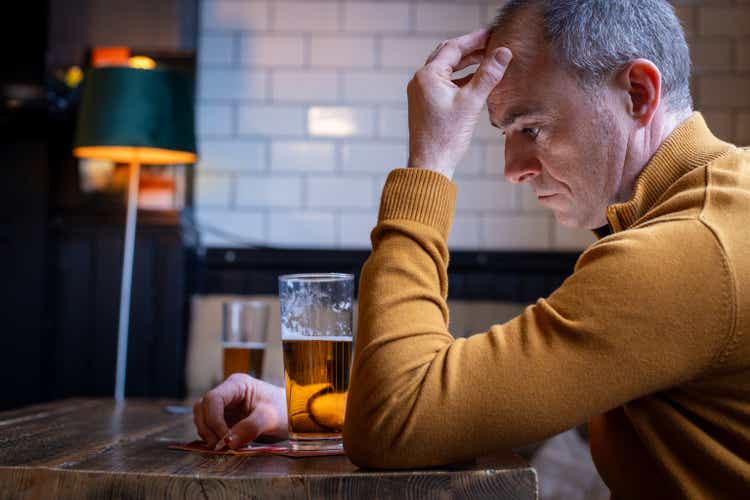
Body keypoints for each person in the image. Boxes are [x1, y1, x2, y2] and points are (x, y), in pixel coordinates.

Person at [194, 0, 750, 496]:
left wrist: (430, 163)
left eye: (530, 127)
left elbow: (397, 420)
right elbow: (435, 403)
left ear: (638, 93)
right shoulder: (715, 209)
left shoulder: (686, 248)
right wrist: (320, 413)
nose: (513, 169)